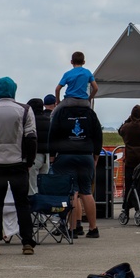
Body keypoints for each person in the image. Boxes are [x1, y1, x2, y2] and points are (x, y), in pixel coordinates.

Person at [0, 77, 37, 255]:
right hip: (19, 163)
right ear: (13, 91)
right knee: (22, 204)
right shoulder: (25, 110)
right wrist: (29, 161)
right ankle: (27, 243)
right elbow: (31, 138)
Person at [48, 89, 104, 239]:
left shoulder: (61, 113)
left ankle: (73, 228)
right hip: (86, 155)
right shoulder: (90, 114)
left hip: (65, 156)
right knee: (86, 192)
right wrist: (96, 155)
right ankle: (93, 228)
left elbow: (52, 135)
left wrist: (52, 156)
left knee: (72, 192)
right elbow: (98, 135)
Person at [118, 105, 140, 197]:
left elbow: (120, 131)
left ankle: (126, 206)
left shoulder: (126, 127)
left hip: (130, 159)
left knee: (129, 184)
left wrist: (128, 120)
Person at [25, 98, 52, 195]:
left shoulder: (30, 122)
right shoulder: (49, 121)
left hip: (34, 156)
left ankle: (33, 209)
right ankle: (42, 207)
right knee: (43, 186)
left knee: (32, 187)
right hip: (46, 157)